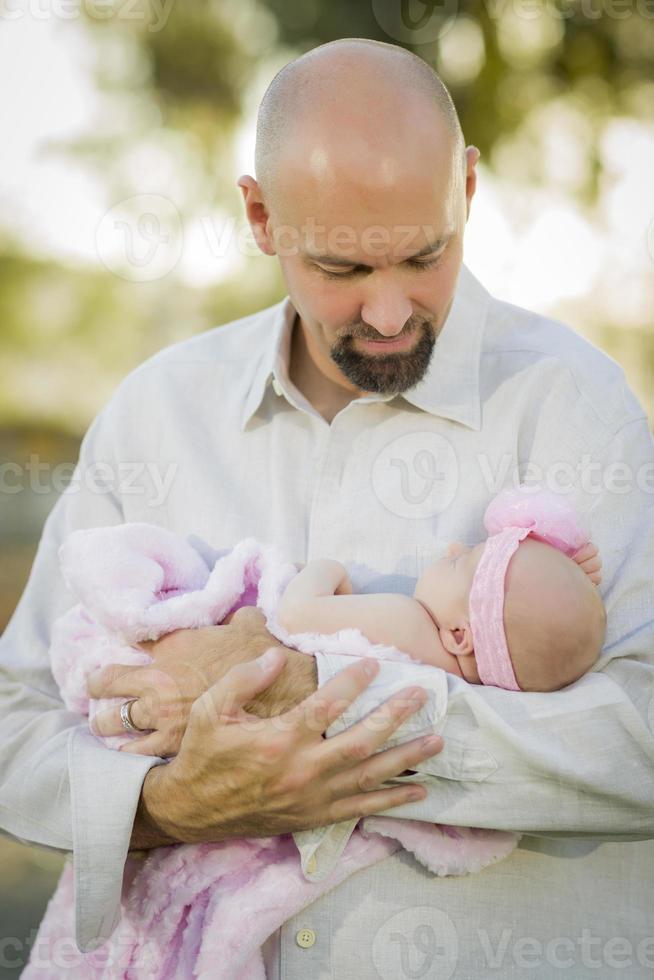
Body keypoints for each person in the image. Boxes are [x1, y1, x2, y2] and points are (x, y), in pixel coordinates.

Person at [1, 36, 652, 979]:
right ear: (262, 217)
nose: (389, 313)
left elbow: (638, 739)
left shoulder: (573, 407)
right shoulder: (156, 414)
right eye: (343, 269)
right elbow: (18, 719)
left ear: (467, 192)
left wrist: (315, 686)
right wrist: (171, 803)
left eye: (425, 256)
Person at [278, 488, 607, 693]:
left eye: (458, 563)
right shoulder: (455, 680)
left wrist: (326, 567)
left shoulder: (407, 621)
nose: (452, 548)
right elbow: (533, 609)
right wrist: (561, 577)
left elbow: (294, 614)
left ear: (460, 636)